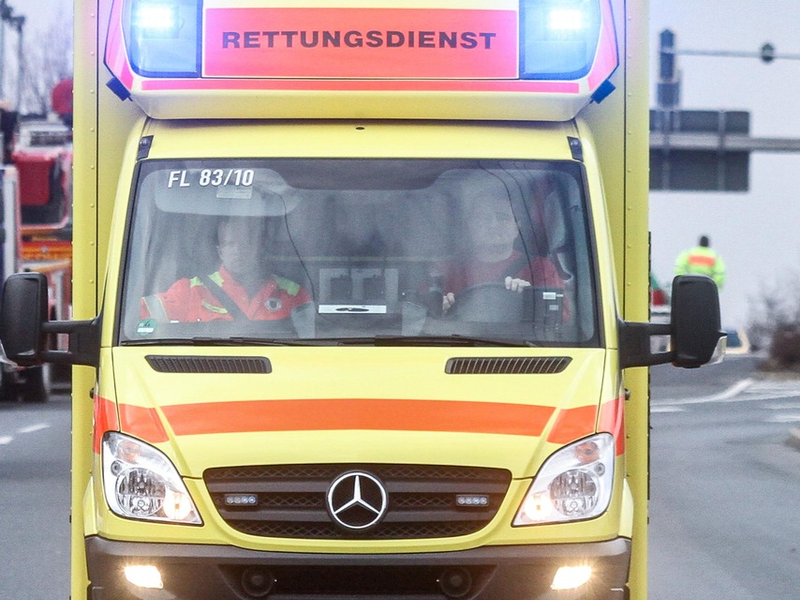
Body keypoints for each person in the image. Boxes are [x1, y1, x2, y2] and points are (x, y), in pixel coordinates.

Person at [437, 174, 567, 314]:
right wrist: (439, 309)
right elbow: (418, 311)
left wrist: (532, 298)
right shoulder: (447, 269)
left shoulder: (541, 269)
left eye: (502, 218)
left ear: (517, 227)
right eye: (483, 217)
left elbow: (561, 316)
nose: (492, 224)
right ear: (470, 225)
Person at [141, 216, 311, 322]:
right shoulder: (191, 290)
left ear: (260, 247)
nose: (238, 251)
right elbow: (133, 319)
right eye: (229, 244)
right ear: (220, 251)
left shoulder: (292, 294)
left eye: (246, 244)